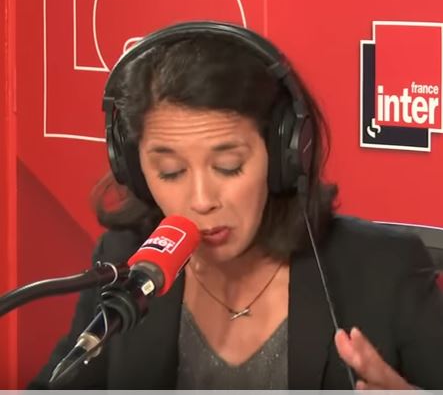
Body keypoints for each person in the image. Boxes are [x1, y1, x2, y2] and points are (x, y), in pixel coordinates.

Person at [29, 21, 443, 390]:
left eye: (229, 166)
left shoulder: (386, 270)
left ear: (283, 156)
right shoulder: (126, 262)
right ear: (134, 169)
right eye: (171, 172)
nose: (202, 201)